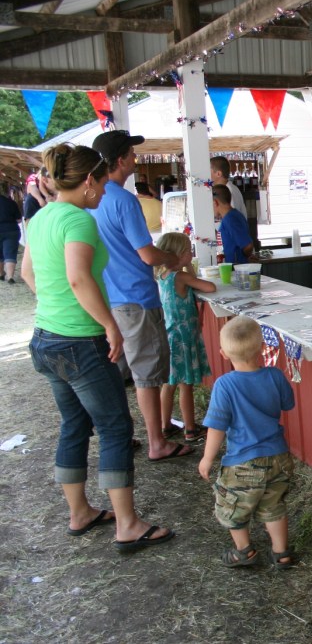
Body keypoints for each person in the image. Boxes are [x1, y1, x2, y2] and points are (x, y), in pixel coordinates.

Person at [21, 143, 174, 552]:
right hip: (80, 341)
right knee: (114, 427)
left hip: (46, 338)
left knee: (75, 424)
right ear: (88, 181)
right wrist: (109, 325)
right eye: (103, 183)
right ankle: (127, 523)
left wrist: (54, 308)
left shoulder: (40, 217)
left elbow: (27, 272)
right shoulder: (77, 220)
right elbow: (78, 278)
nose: (106, 191)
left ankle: (81, 512)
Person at [89, 129, 190, 463]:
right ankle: (157, 442)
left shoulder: (91, 200)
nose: (136, 159)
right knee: (146, 376)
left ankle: (121, 434)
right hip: (136, 297)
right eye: (131, 154)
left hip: (108, 299)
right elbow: (147, 254)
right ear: (120, 161)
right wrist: (172, 260)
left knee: (118, 373)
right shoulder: (122, 199)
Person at [198, 316, 297, 569]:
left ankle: (244, 552)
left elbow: (217, 427)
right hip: (278, 457)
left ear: (222, 353)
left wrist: (207, 458)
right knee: (274, 505)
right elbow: (288, 404)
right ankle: (281, 553)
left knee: (233, 507)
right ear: (263, 348)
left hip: (243, 463)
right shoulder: (275, 376)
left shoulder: (225, 385)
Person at [155, 231, 216, 444]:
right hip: (184, 337)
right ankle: (190, 429)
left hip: (170, 335)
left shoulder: (161, 276)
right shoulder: (181, 277)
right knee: (186, 384)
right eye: (188, 251)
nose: (191, 253)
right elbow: (209, 287)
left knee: (169, 383)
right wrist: (189, 269)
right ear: (178, 255)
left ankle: (165, 426)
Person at [212, 184, 254, 264]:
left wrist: (245, 259)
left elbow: (248, 246)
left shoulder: (230, 219)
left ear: (215, 202)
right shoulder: (234, 215)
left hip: (237, 269)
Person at [0, 184, 22, 283]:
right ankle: (10, 277)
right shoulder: (11, 203)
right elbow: (18, 219)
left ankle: (1, 274)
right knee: (10, 253)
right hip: (11, 230)